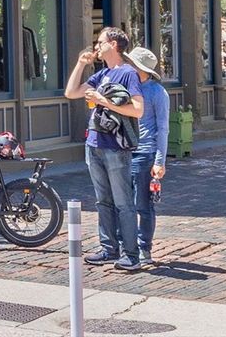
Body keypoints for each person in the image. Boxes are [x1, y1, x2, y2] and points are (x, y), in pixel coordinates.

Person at [64, 27, 148, 272]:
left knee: (123, 202)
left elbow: (138, 110)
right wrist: (80, 65)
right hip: (94, 144)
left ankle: (131, 255)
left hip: (116, 146)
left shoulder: (128, 73)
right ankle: (108, 248)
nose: (96, 46)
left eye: (100, 42)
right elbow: (70, 93)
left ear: (113, 44)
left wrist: (104, 102)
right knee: (103, 201)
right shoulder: (102, 74)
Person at [125, 48, 171, 268]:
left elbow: (163, 128)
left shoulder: (157, 92)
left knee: (142, 205)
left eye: (132, 65)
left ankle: (145, 248)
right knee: (123, 203)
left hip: (145, 152)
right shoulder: (126, 88)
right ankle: (125, 246)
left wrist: (159, 160)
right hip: (124, 151)